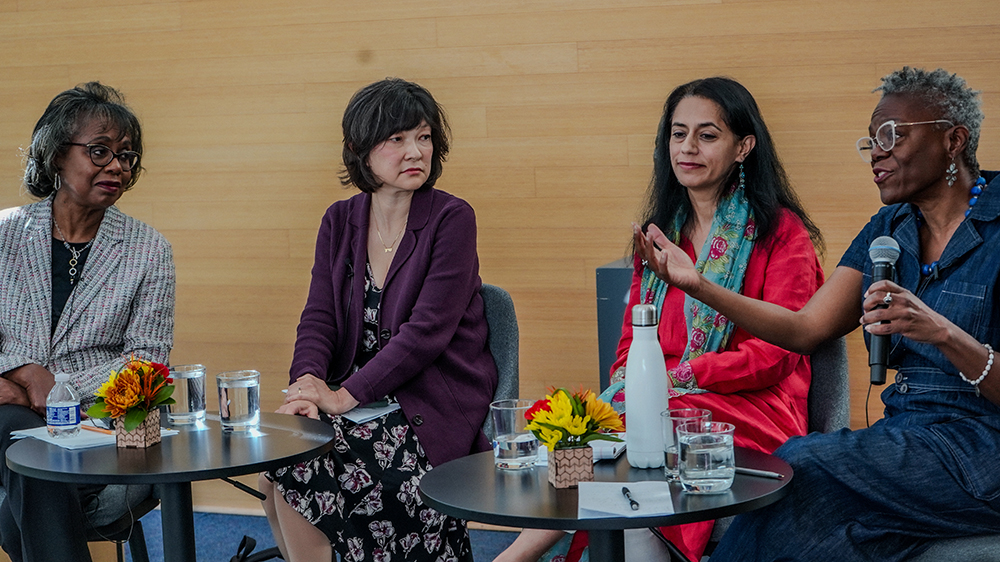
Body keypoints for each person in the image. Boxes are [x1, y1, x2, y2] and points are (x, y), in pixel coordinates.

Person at [637, 67, 1000, 561]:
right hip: (906, 436)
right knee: (827, 537)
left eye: (892, 135)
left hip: (983, 446)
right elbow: (805, 329)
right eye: (870, 140)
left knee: (803, 463)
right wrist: (699, 285)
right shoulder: (889, 227)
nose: (877, 152)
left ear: (953, 139)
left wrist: (942, 333)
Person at [496, 77, 823, 562]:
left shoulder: (782, 233)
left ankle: (516, 556)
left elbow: (779, 352)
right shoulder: (660, 236)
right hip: (660, 402)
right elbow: (629, 343)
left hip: (753, 407)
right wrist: (642, 386)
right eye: (678, 133)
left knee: (635, 439)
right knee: (594, 434)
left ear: (743, 146)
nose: (687, 148)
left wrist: (679, 378)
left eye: (707, 135)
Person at [258, 78, 498, 562]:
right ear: (359, 149)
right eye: (397, 139)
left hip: (429, 405)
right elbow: (319, 315)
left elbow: (425, 334)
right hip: (363, 403)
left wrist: (342, 397)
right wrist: (306, 387)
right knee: (275, 467)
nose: (415, 151)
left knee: (298, 470)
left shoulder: (452, 218)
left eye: (424, 137)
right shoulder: (339, 220)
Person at [0, 82, 175, 562]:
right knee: (18, 437)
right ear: (56, 154)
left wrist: (52, 388)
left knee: (25, 474)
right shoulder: (4, 234)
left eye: (126, 156)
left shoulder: (148, 248)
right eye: (100, 151)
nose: (116, 166)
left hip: (102, 416)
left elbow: (147, 362)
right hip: (6, 407)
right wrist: (23, 372)